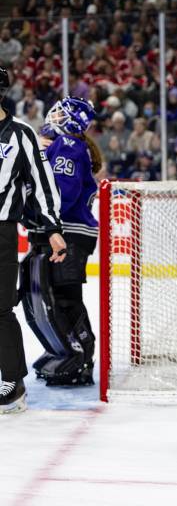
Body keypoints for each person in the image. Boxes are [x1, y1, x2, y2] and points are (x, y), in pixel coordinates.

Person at [21, 97, 102, 387]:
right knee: (48, 297)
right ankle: (64, 350)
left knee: (66, 299)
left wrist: (34, 212)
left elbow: (61, 196)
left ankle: (81, 356)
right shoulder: (62, 146)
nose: (51, 115)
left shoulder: (69, 146)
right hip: (62, 231)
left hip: (71, 232)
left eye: (58, 111)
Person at [0, 67, 67, 413]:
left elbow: (41, 185)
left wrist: (52, 228)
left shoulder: (21, 135)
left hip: (2, 232)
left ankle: (13, 384)